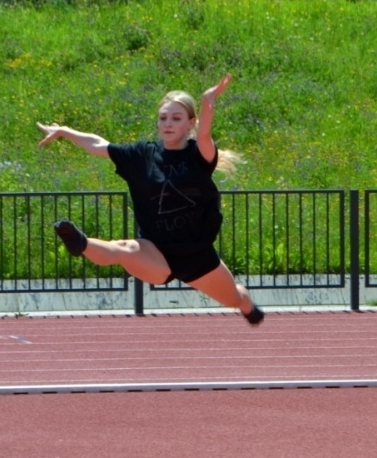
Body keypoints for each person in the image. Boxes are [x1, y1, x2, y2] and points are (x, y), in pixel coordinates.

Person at [37, 73, 263, 324]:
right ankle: (81, 242)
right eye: (163, 118)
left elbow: (205, 136)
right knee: (125, 249)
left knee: (233, 298)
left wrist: (208, 100)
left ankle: (246, 305)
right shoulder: (142, 155)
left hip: (197, 255)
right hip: (156, 253)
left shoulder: (199, 156)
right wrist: (64, 131)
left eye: (176, 118)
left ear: (190, 122)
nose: (168, 123)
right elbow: (99, 145)